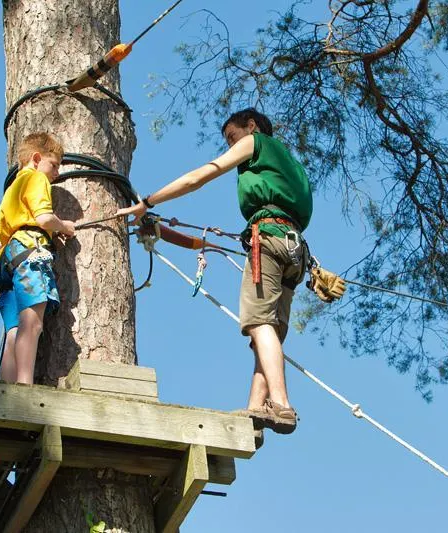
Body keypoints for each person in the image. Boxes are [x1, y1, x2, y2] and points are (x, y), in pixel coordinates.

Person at [116, 108, 312, 435]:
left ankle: (281, 405)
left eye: (232, 138)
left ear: (251, 126)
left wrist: (148, 202)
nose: (231, 146)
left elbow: (201, 176)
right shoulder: (291, 165)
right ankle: (255, 412)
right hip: (295, 250)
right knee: (268, 334)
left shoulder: (257, 142)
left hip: (269, 239)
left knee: (259, 323)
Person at [0, 132, 76, 385]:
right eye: (54, 164)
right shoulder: (36, 179)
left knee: (13, 330)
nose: (57, 172)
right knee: (32, 322)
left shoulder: (10, 192)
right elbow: (44, 218)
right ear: (37, 159)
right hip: (30, 252)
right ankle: (25, 386)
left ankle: (7, 387)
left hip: (7, 261)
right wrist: (64, 226)